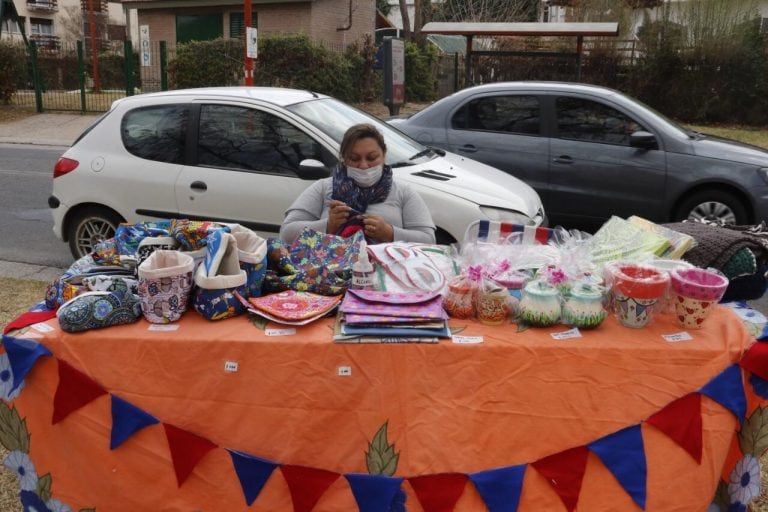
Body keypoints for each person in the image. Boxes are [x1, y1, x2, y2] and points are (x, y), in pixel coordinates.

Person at [279, 123, 436, 244]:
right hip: (332, 279)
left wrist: (389, 233)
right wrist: (328, 226)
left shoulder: (403, 193)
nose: (363, 165)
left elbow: (428, 240)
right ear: (344, 159)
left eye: (372, 157)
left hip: (384, 280)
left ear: (384, 155)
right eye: (354, 159)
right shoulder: (323, 188)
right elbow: (286, 233)